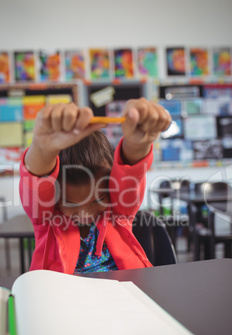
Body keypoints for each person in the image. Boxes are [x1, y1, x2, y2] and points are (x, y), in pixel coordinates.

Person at [19, 98, 171, 274]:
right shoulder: (47, 219)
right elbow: (36, 181)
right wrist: (41, 149)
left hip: (124, 294)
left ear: (111, 187)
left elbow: (130, 175)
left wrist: (138, 144)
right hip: (63, 299)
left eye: (98, 199)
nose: (85, 213)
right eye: (71, 203)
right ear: (54, 196)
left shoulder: (119, 210)